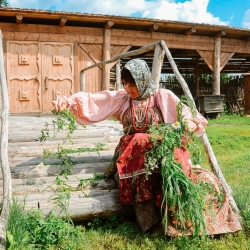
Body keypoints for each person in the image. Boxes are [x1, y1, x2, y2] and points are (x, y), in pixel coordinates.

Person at [52, 58, 241, 236]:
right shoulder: (122, 99)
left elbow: (186, 115)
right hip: (133, 154)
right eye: (125, 83)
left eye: (132, 84)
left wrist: (189, 123)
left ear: (143, 79)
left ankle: (178, 219)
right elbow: (96, 101)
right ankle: (151, 224)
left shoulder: (162, 96)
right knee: (140, 152)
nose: (128, 88)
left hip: (161, 149)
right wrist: (68, 103)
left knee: (177, 170)